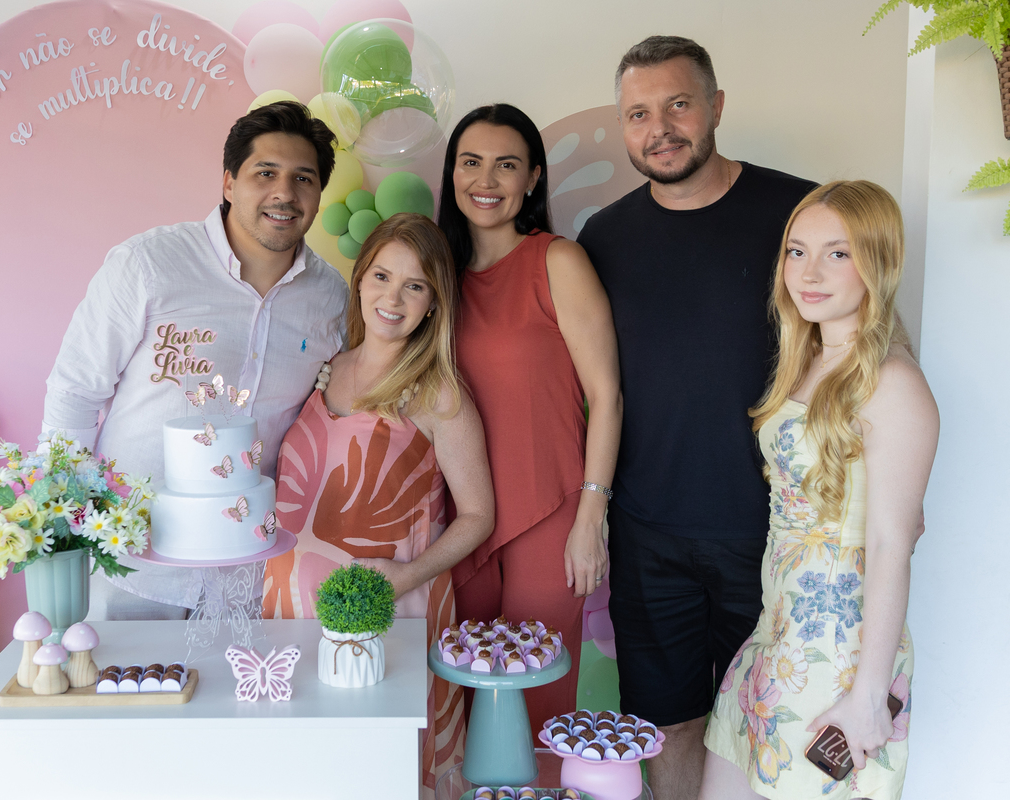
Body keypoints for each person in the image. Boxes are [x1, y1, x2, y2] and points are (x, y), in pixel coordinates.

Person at [576, 36, 817, 799]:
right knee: (667, 724)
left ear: (715, 105)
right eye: (639, 113)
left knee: (769, 726)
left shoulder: (800, 214)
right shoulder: (604, 238)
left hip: (775, 529)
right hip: (650, 533)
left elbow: (866, 345)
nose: (660, 128)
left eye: (678, 104)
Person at [42, 101, 348, 620]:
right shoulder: (148, 264)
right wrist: (60, 519)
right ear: (229, 182)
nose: (285, 193)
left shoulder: (331, 297)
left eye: (304, 178)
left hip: (251, 576)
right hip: (131, 562)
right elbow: (75, 391)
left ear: (319, 195)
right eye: (265, 173)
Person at [700, 180, 937, 798]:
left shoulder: (893, 383)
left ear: (877, 262)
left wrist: (869, 695)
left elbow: (892, 543)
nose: (809, 272)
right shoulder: (807, 361)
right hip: (776, 633)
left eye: (838, 253)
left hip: (839, 653)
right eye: (796, 251)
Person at [261, 213, 495, 792]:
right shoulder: (325, 368)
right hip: (291, 608)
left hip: (388, 610)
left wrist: (405, 577)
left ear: (434, 304)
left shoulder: (439, 394)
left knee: (379, 772)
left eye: (415, 286)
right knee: (303, 771)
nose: (393, 298)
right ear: (360, 279)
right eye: (382, 277)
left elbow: (478, 516)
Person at [437, 104, 622, 735]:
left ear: (533, 178)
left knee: (537, 703)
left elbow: (607, 395)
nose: (486, 180)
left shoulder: (557, 261)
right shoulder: (436, 275)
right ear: (452, 172)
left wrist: (591, 516)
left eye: (506, 165)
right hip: (460, 519)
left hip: (550, 514)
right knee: (461, 699)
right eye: (471, 162)